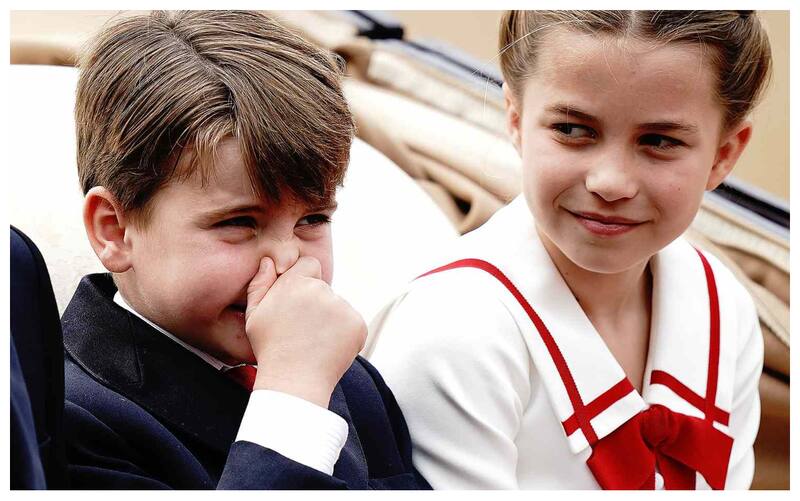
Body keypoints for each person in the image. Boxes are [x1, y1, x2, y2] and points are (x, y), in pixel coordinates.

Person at [367, 10, 770, 490]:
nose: (610, 182)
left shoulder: (726, 309)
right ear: (514, 119)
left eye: (659, 141)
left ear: (724, 154)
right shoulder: (450, 333)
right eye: (573, 130)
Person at [61, 10, 429, 490]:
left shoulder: (349, 380)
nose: (287, 262)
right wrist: (292, 398)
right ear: (115, 230)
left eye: (313, 219)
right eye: (238, 223)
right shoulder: (64, 419)